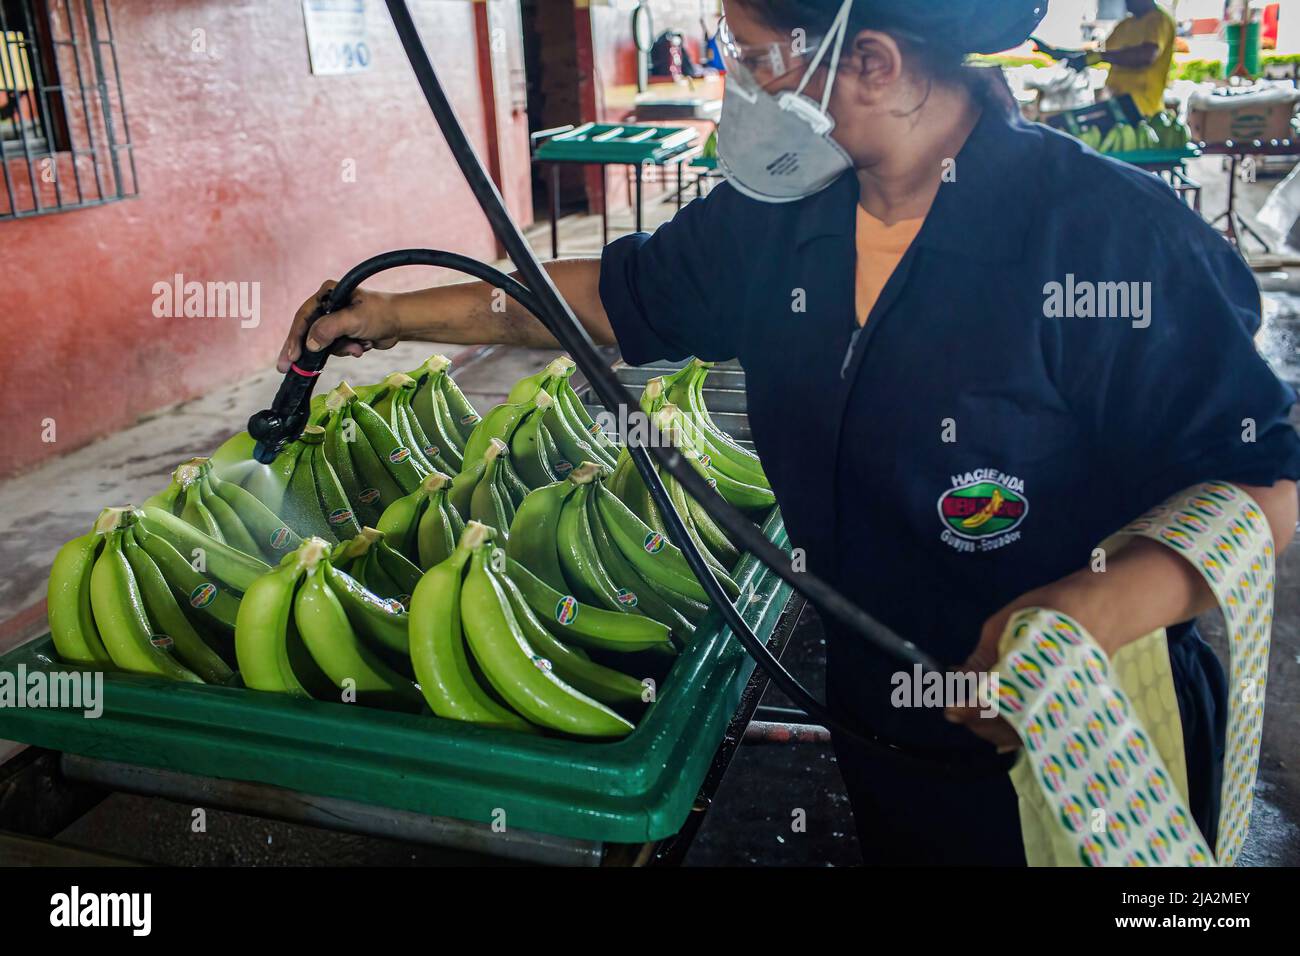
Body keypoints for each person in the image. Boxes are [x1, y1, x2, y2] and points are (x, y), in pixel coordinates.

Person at [280, 0, 1300, 865]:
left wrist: (1091, 607)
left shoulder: (1106, 236)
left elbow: (1262, 483)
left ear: (870, 61)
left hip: (1089, 727)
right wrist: (392, 314)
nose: (739, 87)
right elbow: (603, 298)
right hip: (880, 718)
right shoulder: (774, 221)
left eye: (755, 58)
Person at [1088, 0, 1177, 116]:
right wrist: (1075, 55)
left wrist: (1101, 56)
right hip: (1115, 103)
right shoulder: (1125, 24)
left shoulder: (1159, 20)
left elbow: (1146, 56)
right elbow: (1103, 49)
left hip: (1142, 109)